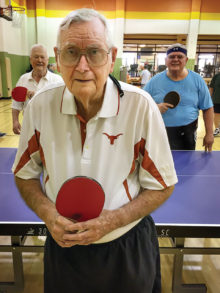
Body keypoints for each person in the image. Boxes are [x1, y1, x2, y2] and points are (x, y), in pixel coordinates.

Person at [12, 8, 177, 293]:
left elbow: (163, 185)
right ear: (57, 57)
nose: (82, 66)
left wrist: (112, 220)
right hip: (64, 249)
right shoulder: (39, 106)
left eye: (94, 52)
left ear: (112, 58)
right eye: (72, 52)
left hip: (126, 246)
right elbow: (24, 175)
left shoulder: (140, 106)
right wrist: (48, 214)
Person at [144, 43, 214, 151]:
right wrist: (155, 107)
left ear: (186, 60)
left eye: (180, 56)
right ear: (166, 60)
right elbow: (141, 104)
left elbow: (207, 108)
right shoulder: (154, 82)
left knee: (186, 165)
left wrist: (209, 133)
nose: (175, 59)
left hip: (188, 132)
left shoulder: (197, 80)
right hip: (160, 132)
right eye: (171, 56)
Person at [12, 44, 63, 134]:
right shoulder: (23, 79)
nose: (39, 60)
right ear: (30, 60)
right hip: (29, 129)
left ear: (47, 60)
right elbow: (16, 105)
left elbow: (62, 104)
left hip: (52, 129)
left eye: (42, 57)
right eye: (36, 57)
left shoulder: (58, 80)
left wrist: (40, 95)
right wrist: (15, 121)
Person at [209, 72, 220, 136]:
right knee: (216, 114)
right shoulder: (216, 76)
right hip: (217, 100)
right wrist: (208, 99)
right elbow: (211, 88)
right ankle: (217, 129)